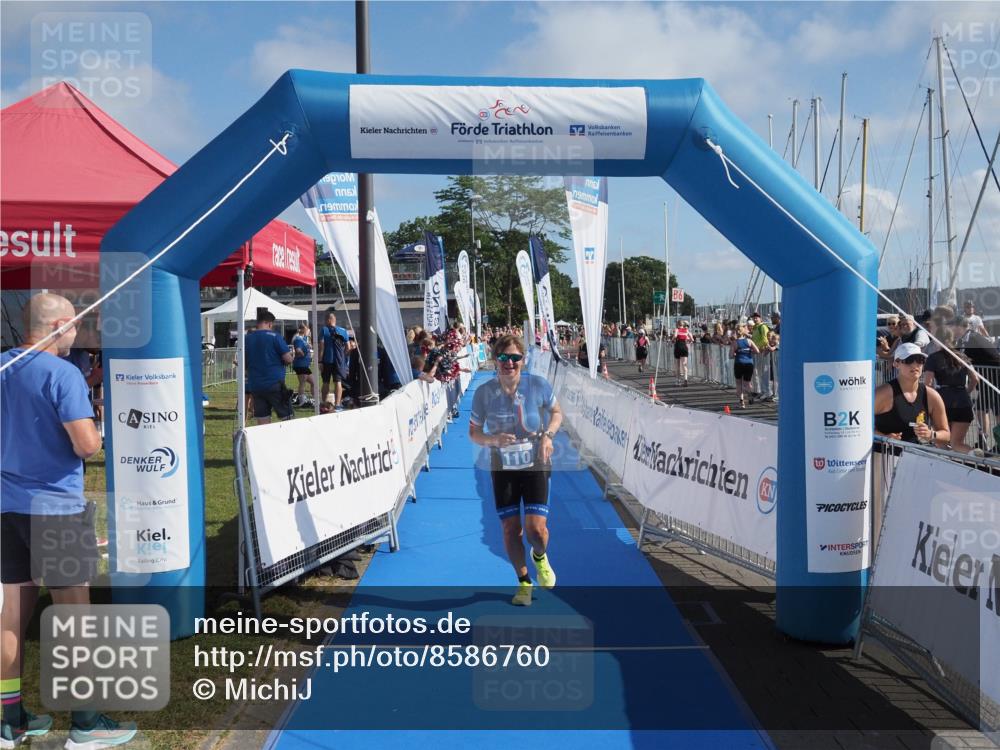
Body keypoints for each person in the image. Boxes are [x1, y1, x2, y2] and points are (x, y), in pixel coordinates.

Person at [1, 293, 137, 749]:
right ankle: (85, 722)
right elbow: (86, 445)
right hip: (55, 509)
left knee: (11, 618)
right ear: (60, 325)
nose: (78, 334)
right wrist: (94, 427)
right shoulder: (63, 373)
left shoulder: (2, 366)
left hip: (8, 508)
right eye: (77, 326)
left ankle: (10, 721)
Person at [469, 335, 563, 607]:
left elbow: (557, 413)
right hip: (503, 467)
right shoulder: (484, 393)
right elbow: (474, 433)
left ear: (523, 359)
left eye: (515, 358)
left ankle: (540, 556)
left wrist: (548, 436)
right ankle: (524, 582)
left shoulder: (538, 385)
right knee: (511, 530)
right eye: (503, 358)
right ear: (495, 361)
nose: (509, 363)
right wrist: (492, 440)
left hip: (536, 462)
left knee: (536, 531)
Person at [875, 343, 950, 446]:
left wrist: (931, 434)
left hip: (918, 458)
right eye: (909, 360)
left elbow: (946, 435)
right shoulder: (883, 393)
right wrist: (884, 438)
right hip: (887, 457)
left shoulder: (931, 395)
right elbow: (859, 426)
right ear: (896, 364)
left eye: (920, 360)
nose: (915, 365)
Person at [924, 330, 981, 455]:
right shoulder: (963, 357)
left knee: (941, 442)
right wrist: (966, 392)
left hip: (943, 402)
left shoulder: (933, 358)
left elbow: (928, 384)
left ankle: (944, 467)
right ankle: (972, 453)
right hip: (963, 402)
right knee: (957, 444)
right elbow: (975, 379)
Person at [245, 308, 294, 425]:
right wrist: (292, 358)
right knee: (287, 418)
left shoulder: (247, 338)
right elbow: (288, 359)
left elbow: (244, 362)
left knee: (262, 420)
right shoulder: (275, 336)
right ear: (269, 323)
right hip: (274, 383)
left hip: (255, 385)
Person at [318, 311, 350, 410]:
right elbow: (348, 347)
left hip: (327, 361)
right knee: (338, 382)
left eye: (325, 320)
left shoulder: (324, 330)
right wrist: (342, 357)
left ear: (328, 320)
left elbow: (321, 348)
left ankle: (323, 403)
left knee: (326, 382)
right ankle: (337, 404)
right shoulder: (344, 331)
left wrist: (320, 361)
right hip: (338, 361)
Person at [730, 324, 760, 409]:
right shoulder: (749, 341)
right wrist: (749, 351)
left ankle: (742, 403)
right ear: (744, 332)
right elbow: (757, 351)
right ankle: (750, 394)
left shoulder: (735, 343)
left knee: (739, 383)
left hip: (739, 363)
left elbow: (730, 356)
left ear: (736, 333)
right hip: (749, 363)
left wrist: (736, 353)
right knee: (747, 383)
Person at [291, 324, 316, 409]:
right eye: (307, 330)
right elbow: (298, 350)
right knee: (302, 382)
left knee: (313, 382)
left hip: (305, 365)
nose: (308, 331)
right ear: (302, 330)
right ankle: (301, 401)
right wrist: (303, 355)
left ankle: (315, 399)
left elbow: (309, 346)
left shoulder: (304, 339)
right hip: (300, 365)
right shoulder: (298, 339)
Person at [673, 320, 691, 386]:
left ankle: (678, 380)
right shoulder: (686, 330)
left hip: (678, 347)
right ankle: (685, 379)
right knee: (684, 365)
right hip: (684, 347)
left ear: (678, 324)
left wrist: (672, 340)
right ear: (683, 325)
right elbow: (692, 338)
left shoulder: (677, 330)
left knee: (677, 365)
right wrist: (689, 341)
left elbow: (675, 336)